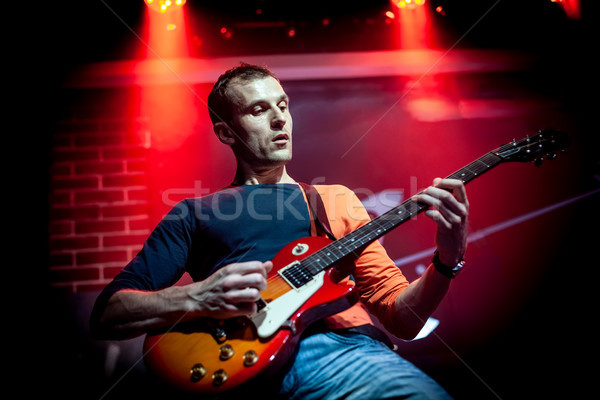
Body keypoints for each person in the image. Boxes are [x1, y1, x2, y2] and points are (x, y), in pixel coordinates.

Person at [90, 63, 469, 399]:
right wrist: (197, 296)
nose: (279, 119)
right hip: (233, 367)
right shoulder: (192, 212)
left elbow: (403, 319)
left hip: (334, 351)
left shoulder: (334, 199)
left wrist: (447, 261)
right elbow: (108, 314)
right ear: (225, 132)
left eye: (283, 106)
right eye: (259, 109)